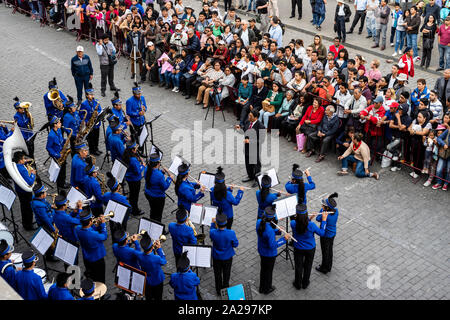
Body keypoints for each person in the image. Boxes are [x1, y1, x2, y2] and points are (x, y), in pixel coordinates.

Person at [291, 204, 327, 289]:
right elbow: (322, 233)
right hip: (310, 248)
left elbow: (302, 225)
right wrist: (324, 220)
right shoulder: (312, 225)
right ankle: (305, 283)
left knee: (298, 266)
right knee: (308, 265)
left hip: (298, 248)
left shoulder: (293, 223)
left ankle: (297, 283)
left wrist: (310, 219)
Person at [256, 205, 289, 294]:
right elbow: (273, 245)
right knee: (268, 272)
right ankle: (267, 288)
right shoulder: (269, 230)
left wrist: (277, 231)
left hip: (262, 250)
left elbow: (265, 231)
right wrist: (284, 239)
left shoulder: (259, 222)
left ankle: (262, 287)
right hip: (269, 254)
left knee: (263, 270)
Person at [75, 209, 108, 283]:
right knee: (100, 278)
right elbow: (104, 236)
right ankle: (101, 294)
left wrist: (96, 225)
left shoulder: (77, 229)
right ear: (90, 221)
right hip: (97, 259)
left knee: (92, 276)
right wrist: (103, 224)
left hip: (87, 257)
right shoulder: (93, 235)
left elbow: (88, 229)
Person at [210, 212, 239, 295]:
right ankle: (225, 290)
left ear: (217, 223)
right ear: (226, 222)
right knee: (226, 274)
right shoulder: (231, 233)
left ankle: (218, 290)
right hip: (227, 257)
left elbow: (211, 230)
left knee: (217, 274)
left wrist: (212, 223)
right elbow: (236, 244)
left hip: (216, 257)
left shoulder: (213, 232)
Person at [235, 109, 266, 187]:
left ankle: (257, 179)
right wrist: (240, 128)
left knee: (256, 165)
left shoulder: (261, 126)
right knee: (248, 163)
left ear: (255, 117)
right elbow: (245, 129)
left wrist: (250, 141)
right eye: (249, 115)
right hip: (247, 147)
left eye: (251, 116)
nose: (249, 117)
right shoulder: (248, 122)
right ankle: (250, 176)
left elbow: (261, 140)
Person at [144, 153, 174, 222]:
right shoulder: (159, 175)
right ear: (158, 164)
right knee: (158, 214)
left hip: (148, 193)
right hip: (157, 197)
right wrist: (170, 179)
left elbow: (153, 176)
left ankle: (151, 221)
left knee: (153, 210)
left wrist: (162, 172)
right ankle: (158, 228)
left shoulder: (146, 169)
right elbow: (165, 187)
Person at [137, 231, 167, 301]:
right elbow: (164, 261)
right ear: (151, 247)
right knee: (158, 297)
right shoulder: (156, 258)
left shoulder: (139, 255)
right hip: (157, 280)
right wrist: (159, 249)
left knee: (149, 296)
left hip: (147, 281)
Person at [12, 151, 36, 231]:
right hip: (25, 191)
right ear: (19, 160)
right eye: (23, 159)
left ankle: (26, 223)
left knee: (24, 207)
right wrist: (32, 174)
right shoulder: (22, 169)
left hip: (19, 189)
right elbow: (30, 182)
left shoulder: (15, 166)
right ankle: (28, 225)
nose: (25, 160)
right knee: (28, 208)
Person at [315, 193, 339, 274]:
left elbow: (318, 219)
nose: (322, 206)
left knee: (325, 252)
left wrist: (322, 211)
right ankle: (329, 266)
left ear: (327, 208)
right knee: (330, 250)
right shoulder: (336, 211)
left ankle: (324, 268)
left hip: (325, 236)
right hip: (333, 234)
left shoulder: (325, 215)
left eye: (323, 205)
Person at [79, 83, 103, 156]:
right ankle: (92, 150)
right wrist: (86, 121)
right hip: (89, 124)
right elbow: (81, 114)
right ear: (86, 95)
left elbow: (100, 109)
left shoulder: (96, 101)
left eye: (93, 94)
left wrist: (97, 113)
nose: (92, 96)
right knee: (91, 138)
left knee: (96, 137)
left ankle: (96, 148)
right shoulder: (84, 104)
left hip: (96, 123)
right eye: (90, 94)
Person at [123, 140, 145, 216]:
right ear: (132, 150)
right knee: (135, 195)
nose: (136, 149)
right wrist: (142, 165)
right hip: (135, 179)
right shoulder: (133, 160)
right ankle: (135, 211)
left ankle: (132, 206)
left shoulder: (126, 154)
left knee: (132, 194)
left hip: (129, 178)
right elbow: (138, 171)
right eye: (135, 148)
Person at [46, 116, 68, 191]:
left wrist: (66, 140)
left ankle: (63, 181)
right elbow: (48, 147)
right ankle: (60, 184)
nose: (60, 123)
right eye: (59, 122)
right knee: (60, 171)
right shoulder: (51, 135)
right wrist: (56, 155)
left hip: (62, 153)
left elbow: (60, 140)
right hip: (57, 156)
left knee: (64, 169)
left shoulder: (58, 130)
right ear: (55, 124)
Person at [126, 83, 148, 147]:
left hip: (142, 121)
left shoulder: (142, 98)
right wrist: (138, 114)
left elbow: (145, 107)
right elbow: (129, 112)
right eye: (137, 94)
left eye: (140, 93)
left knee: (142, 138)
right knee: (135, 139)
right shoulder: (129, 101)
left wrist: (144, 109)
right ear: (134, 93)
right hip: (134, 123)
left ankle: (142, 150)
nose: (139, 95)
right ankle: (136, 152)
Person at [434, 126, 450, 190]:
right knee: (438, 169)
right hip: (444, 152)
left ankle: (446, 184)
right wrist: (444, 144)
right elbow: (439, 138)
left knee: (449, 170)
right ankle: (439, 182)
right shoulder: (448, 130)